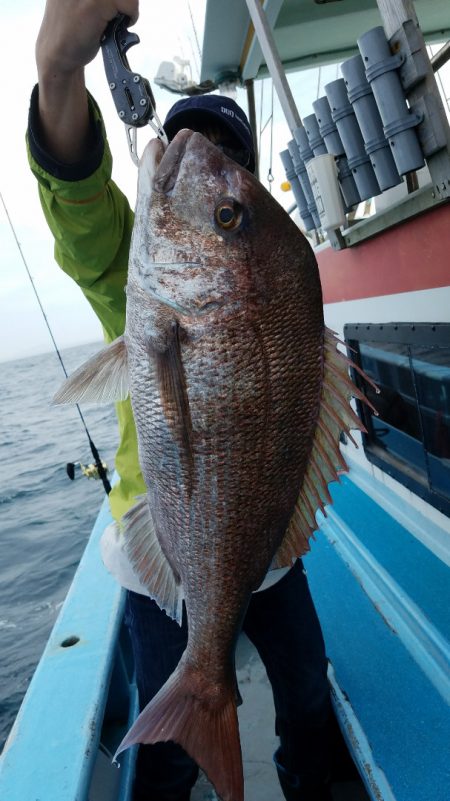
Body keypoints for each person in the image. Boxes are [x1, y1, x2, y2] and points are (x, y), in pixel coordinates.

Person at [28, 3, 353, 800]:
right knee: (163, 751)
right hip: (161, 559)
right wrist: (58, 68)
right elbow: (79, 201)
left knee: (308, 691)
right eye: (188, 136)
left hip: (265, 548)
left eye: (229, 197)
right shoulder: (128, 277)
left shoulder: (259, 288)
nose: (197, 157)